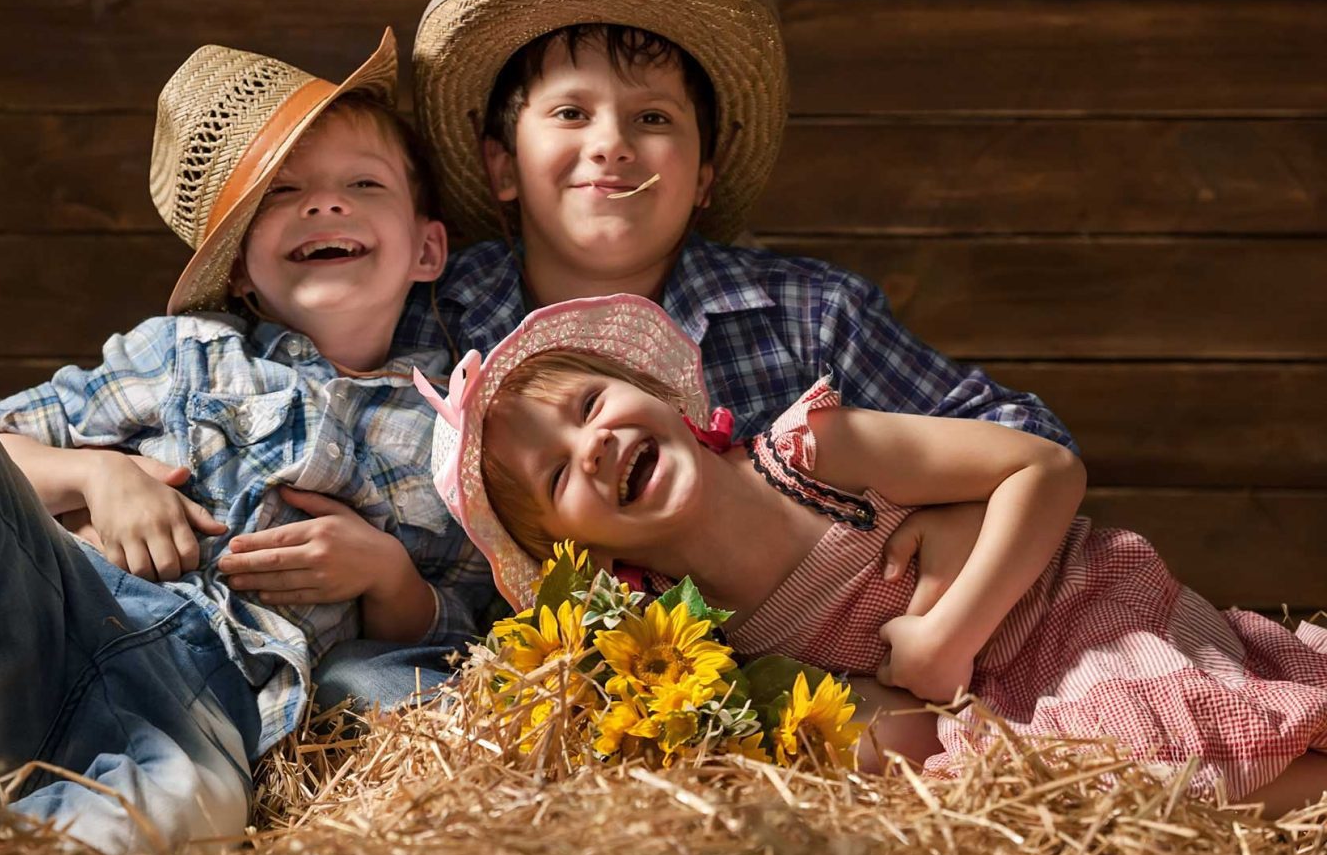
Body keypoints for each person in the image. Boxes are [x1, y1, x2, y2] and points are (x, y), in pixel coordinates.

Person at [302, 0, 1076, 712]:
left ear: (704, 175)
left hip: (822, 678)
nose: (611, 144)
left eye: (653, 118)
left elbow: (1024, 437)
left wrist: (957, 515)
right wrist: (172, 470)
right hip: (553, 674)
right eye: (571, 114)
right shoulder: (436, 306)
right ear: (502, 165)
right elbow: (279, 363)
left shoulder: (806, 310)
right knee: (363, 682)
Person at [0, 31, 492, 854]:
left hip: (197, 697)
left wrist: (386, 572)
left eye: (362, 184)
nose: (324, 204)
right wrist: (95, 474)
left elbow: (457, 624)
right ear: (239, 272)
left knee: (191, 811)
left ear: (428, 249)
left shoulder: (450, 431)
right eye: (284, 192)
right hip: (60, 605)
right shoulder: (183, 350)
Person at [416, 292, 1327, 817]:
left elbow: (1044, 469)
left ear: (650, 387)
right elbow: (891, 723)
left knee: (1149, 755)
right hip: (1009, 718)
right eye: (558, 474)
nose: (596, 446)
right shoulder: (711, 643)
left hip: (1082, 617)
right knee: (1058, 794)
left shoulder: (818, 454)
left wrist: (945, 633)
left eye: (588, 408)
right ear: (579, 551)